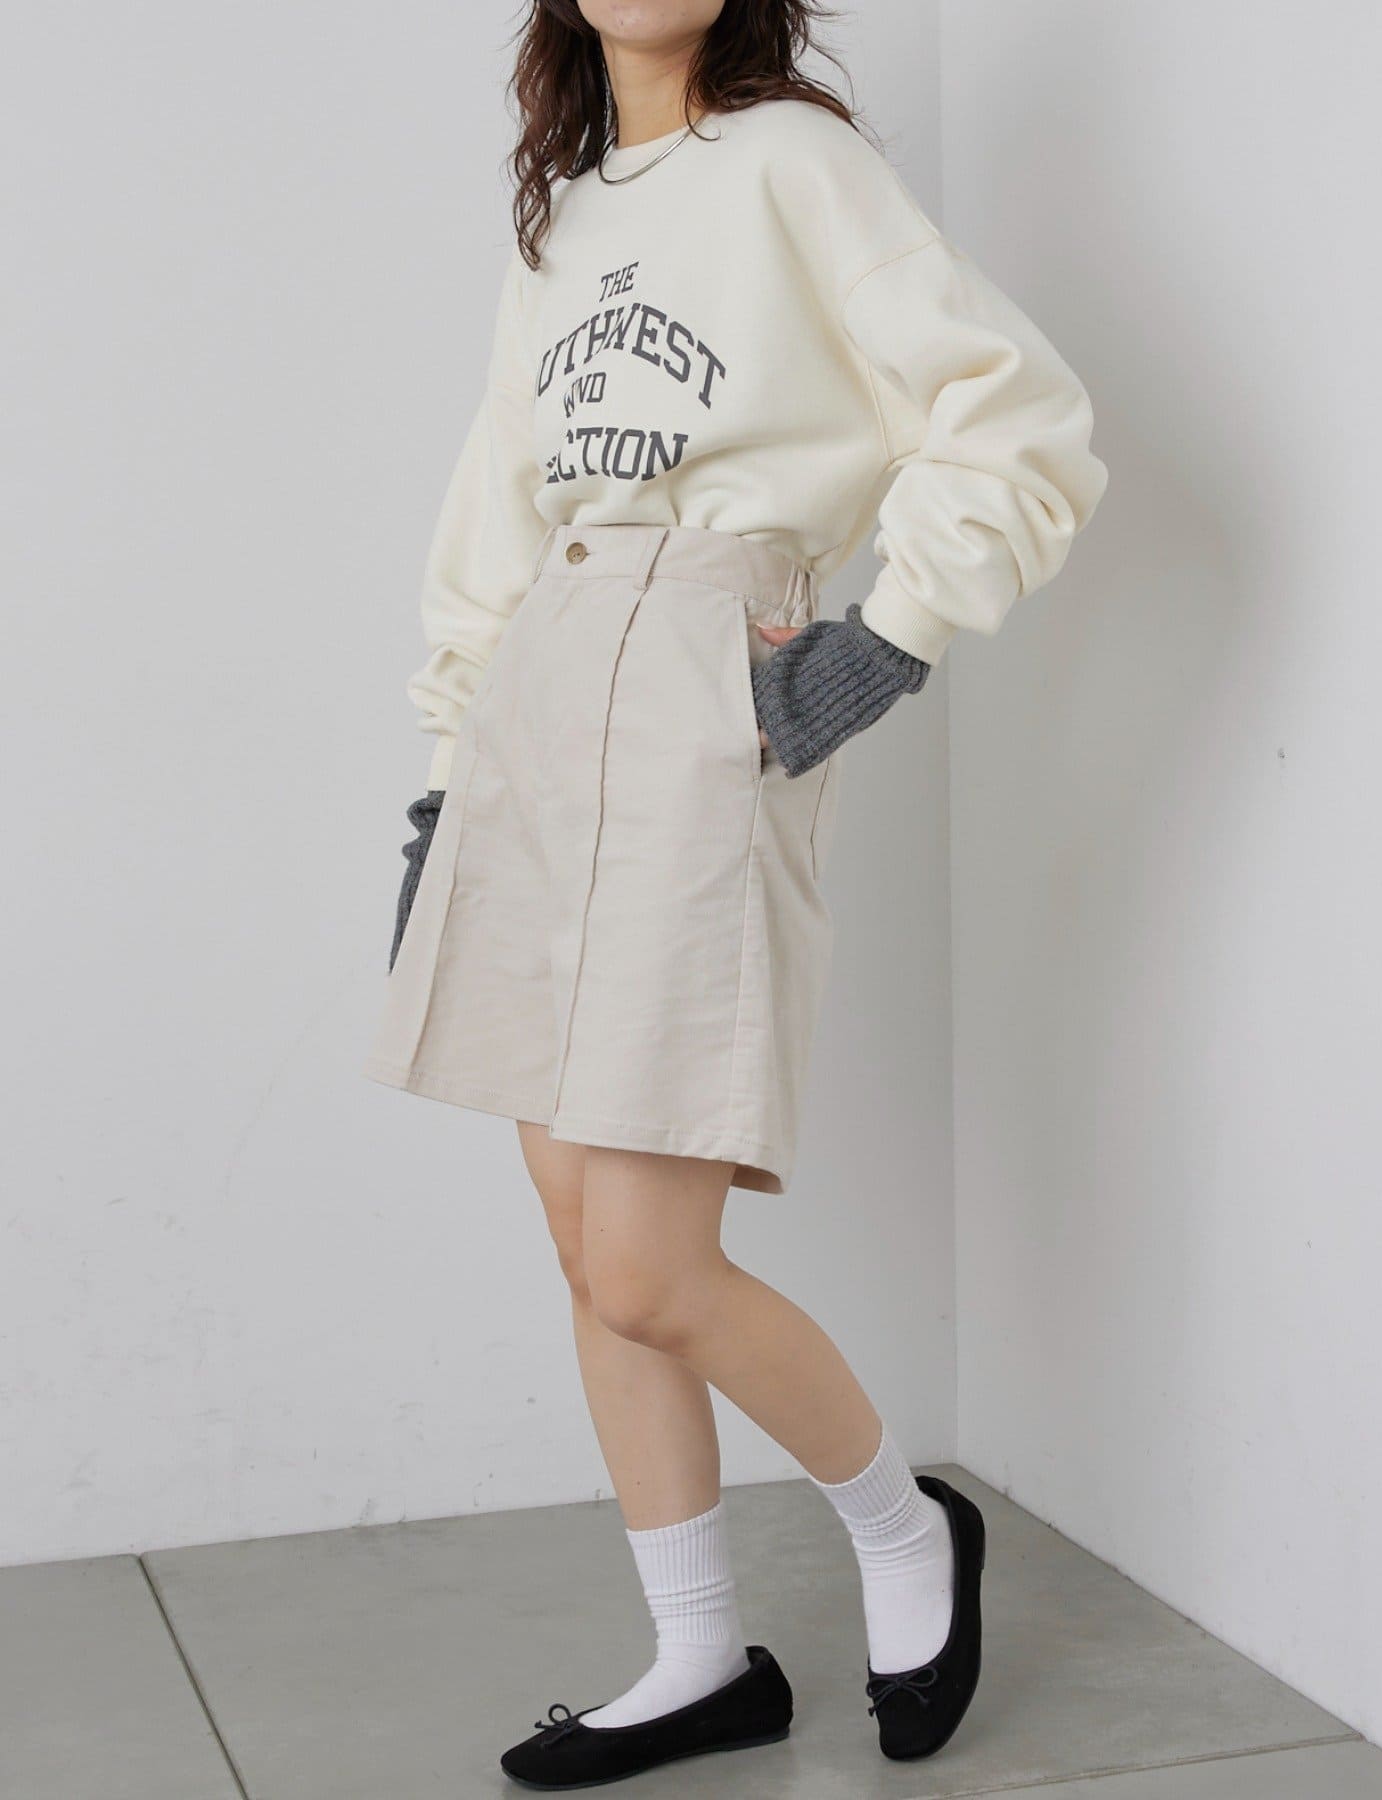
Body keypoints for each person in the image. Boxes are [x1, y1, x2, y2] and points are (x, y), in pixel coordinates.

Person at [364, 0, 1106, 1786]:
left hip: (710, 670)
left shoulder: (793, 163)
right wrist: (449, 782)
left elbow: (1016, 414)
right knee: (580, 1242)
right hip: (540, 695)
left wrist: (885, 641)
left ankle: (905, 1530)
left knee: (649, 1266)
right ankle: (700, 1657)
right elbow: (496, 514)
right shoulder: (562, 219)